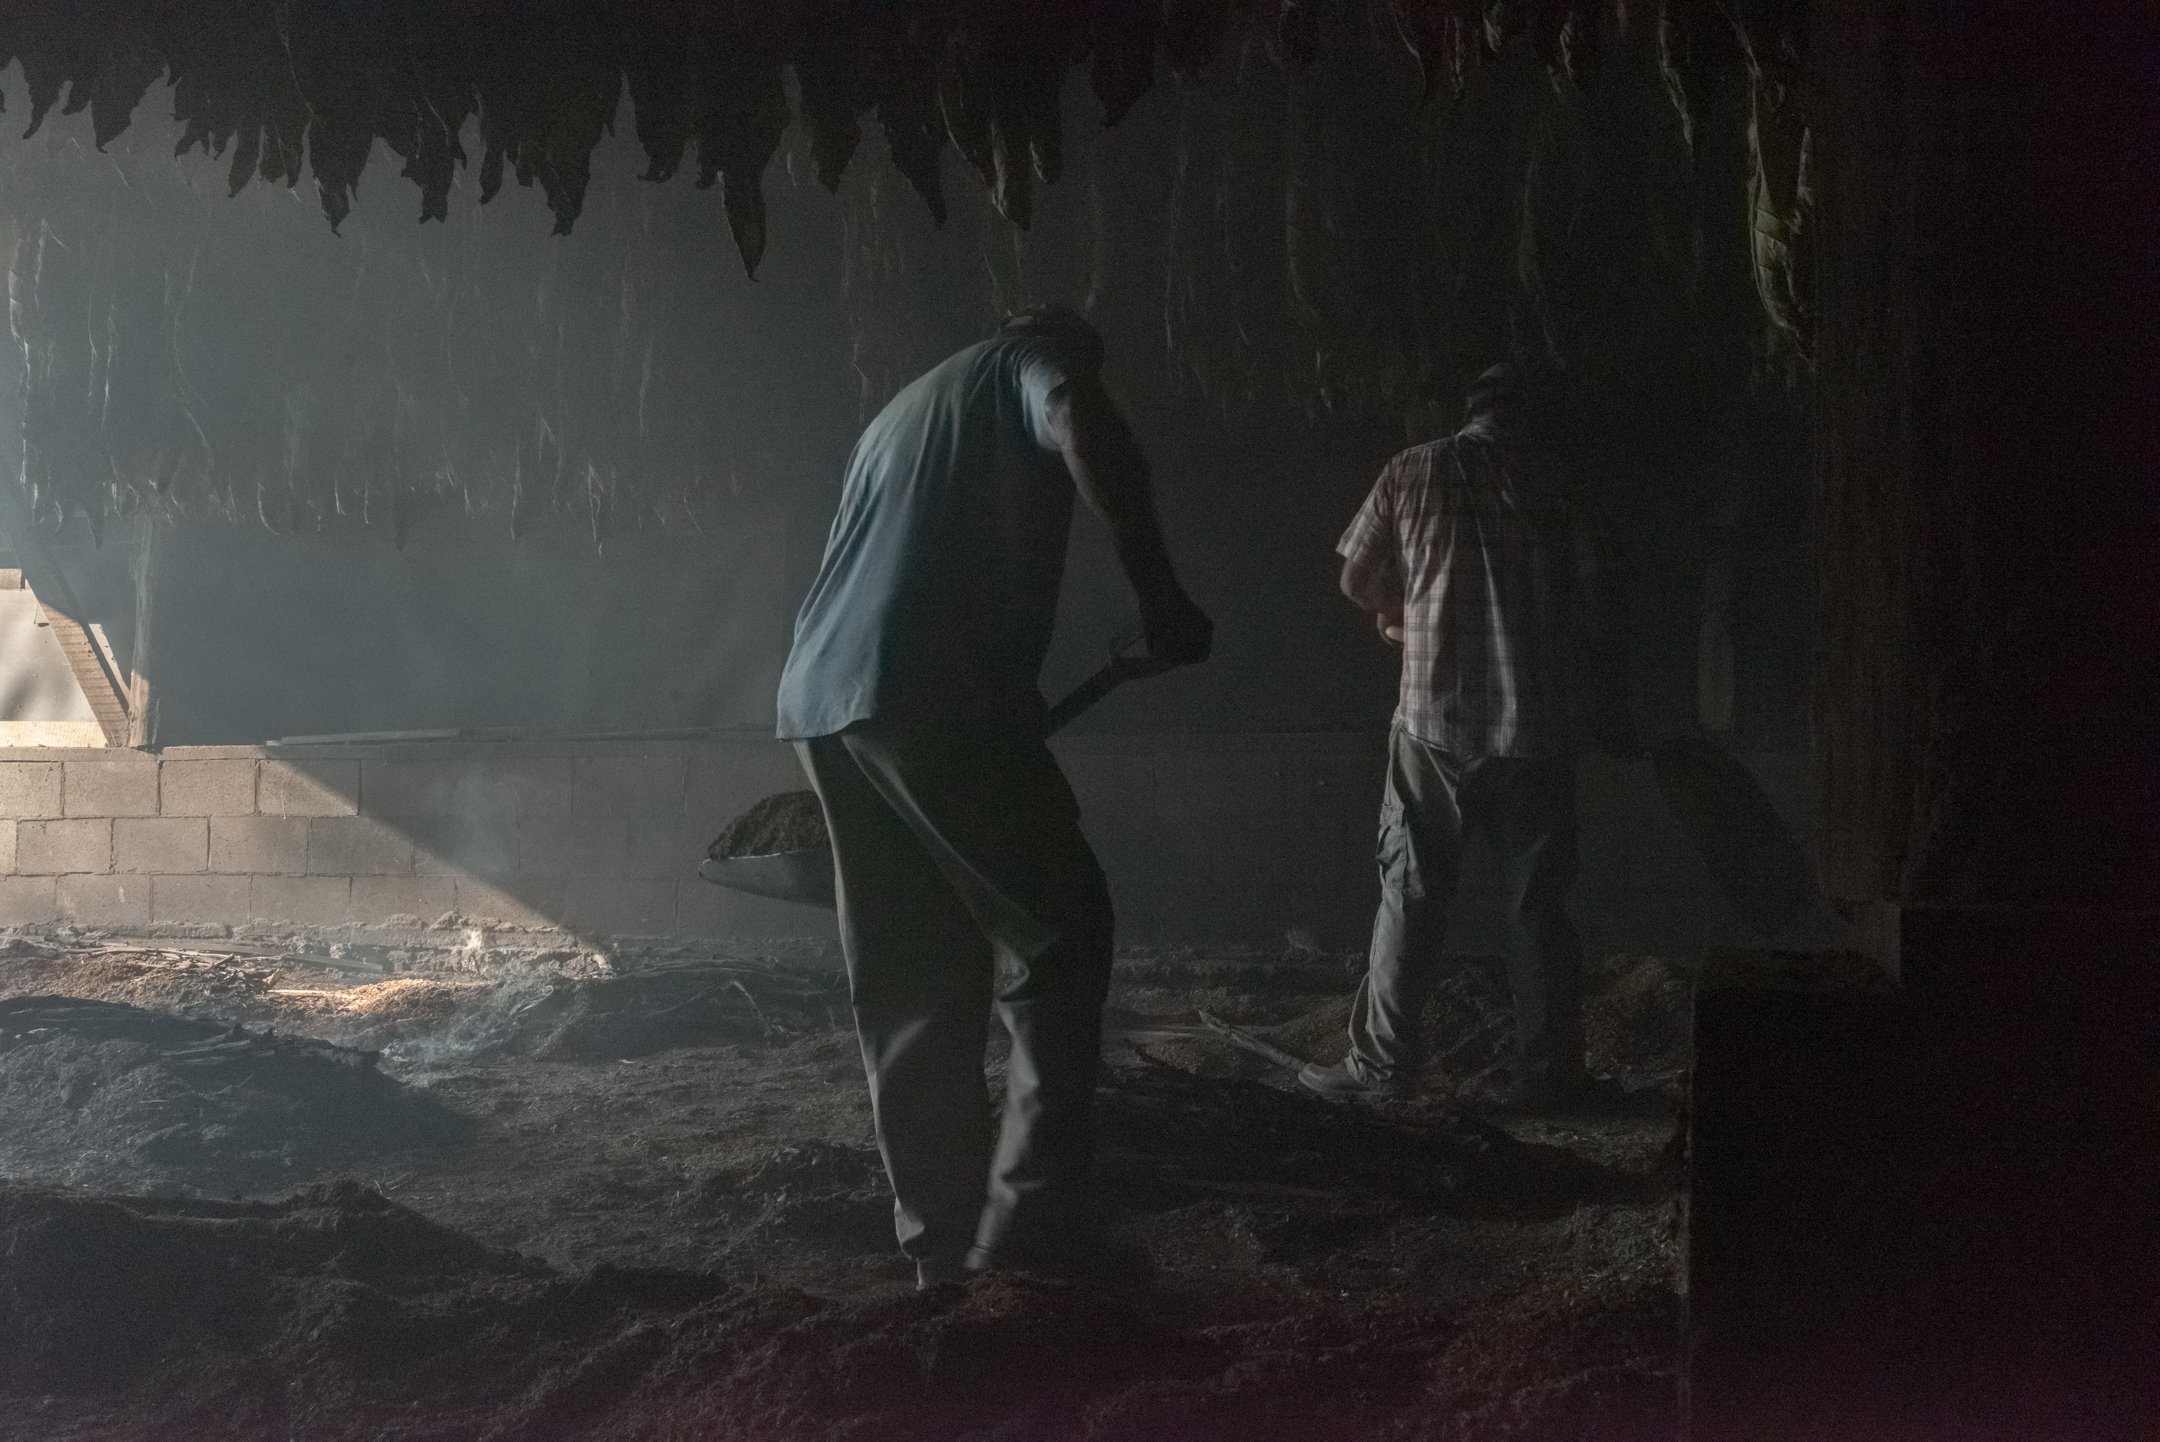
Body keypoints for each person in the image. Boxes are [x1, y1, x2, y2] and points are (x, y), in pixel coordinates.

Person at [775, 305, 1212, 1288]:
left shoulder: (902, 411)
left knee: (915, 976)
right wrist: (1160, 594)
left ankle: (940, 1247)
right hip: (933, 686)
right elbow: (1077, 418)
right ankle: (1032, 1235)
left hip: (822, 698)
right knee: (1061, 933)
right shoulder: (1032, 364)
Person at [1299, 362, 1610, 1111]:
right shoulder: (1560, 481)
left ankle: (1383, 1070)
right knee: (1538, 905)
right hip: (1537, 725)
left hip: (1433, 720)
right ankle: (1550, 1075)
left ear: (1469, 410)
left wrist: (1402, 615)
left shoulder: (1415, 469)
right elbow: (1595, 594)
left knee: (1410, 891)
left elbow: (1354, 578)